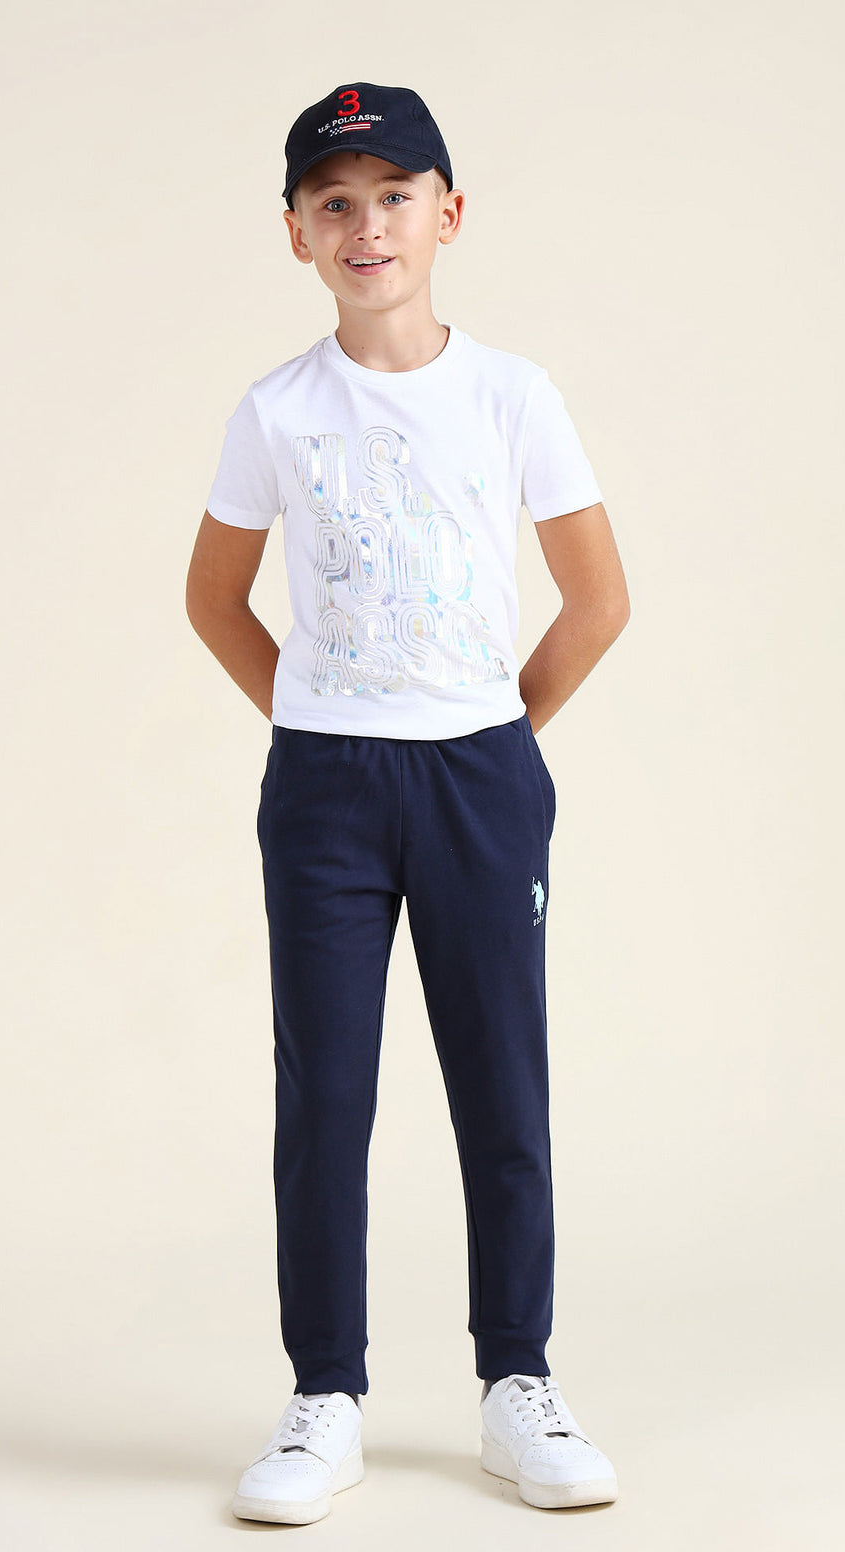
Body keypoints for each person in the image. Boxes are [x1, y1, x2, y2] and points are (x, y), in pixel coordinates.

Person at [185, 80, 631, 1525]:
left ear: (449, 213)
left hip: (477, 776)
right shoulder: (277, 410)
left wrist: (493, 732)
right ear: (297, 233)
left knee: (502, 1080)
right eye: (336, 203)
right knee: (325, 1089)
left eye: (394, 197)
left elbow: (598, 598)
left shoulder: (513, 395)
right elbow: (213, 597)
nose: (366, 226)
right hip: (326, 784)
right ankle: (326, 1395)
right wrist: (321, 717)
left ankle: (518, 1381)